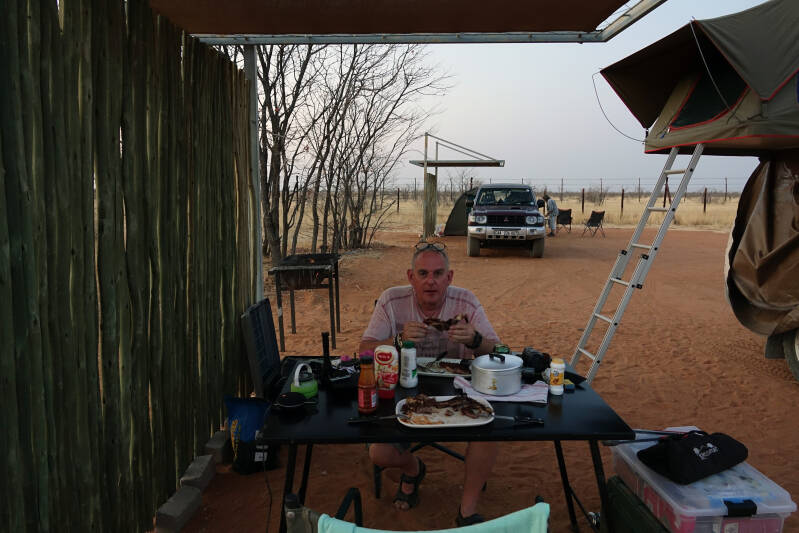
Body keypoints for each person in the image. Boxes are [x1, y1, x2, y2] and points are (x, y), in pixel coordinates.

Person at [359, 241, 500, 526]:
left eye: (438, 274)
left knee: (490, 427)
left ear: (450, 277)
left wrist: (474, 340)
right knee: (379, 453)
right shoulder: (391, 300)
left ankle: (467, 512)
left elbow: (497, 353)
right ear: (411, 277)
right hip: (401, 391)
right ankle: (413, 469)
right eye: (423, 274)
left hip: (456, 392)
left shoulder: (466, 302)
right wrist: (398, 341)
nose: (431, 281)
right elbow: (364, 349)